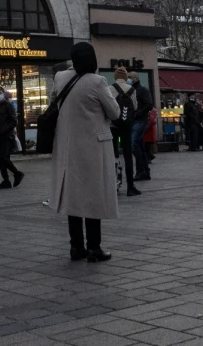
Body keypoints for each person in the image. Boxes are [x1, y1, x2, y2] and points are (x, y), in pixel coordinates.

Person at [49, 42, 121, 262]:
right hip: (93, 147)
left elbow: (54, 103)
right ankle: (94, 247)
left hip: (67, 147)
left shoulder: (60, 77)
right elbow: (115, 112)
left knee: (73, 197)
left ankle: (76, 247)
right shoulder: (97, 81)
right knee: (93, 196)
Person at [111, 67, 139, 197]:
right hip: (126, 127)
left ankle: (114, 184)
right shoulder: (132, 89)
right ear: (126, 76)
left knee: (113, 155)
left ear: (115, 76)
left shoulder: (109, 88)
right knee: (128, 156)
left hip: (113, 126)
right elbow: (135, 107)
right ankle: (130, 186)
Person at [0, 86, 24, 189]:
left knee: (4, 158)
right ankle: (6, 180)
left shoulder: (8, 105)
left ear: (3, 93)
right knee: (0, 159)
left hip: (7, 136)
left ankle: (17, 173)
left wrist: (5, 129)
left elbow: (14, 120)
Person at [128, 72, 153, 182]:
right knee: (139, 145)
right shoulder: (132, 90)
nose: (128, 79)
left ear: (135, 78)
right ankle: (144, 171)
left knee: (133, 144)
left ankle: (141, 171)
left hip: (140, 120)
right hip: (135, 120)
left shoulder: (142, 89)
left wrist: (138, 113)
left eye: (130, 77)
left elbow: (149, 104)